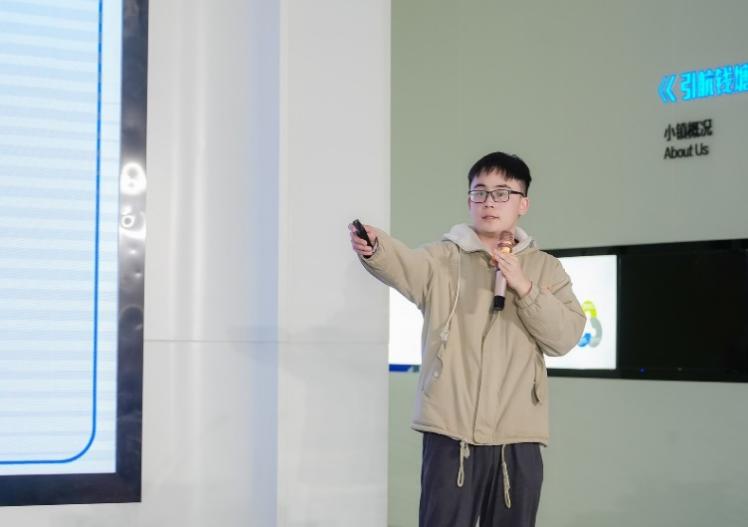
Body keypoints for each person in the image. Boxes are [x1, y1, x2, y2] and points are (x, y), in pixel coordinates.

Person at [349, 151, 585, 527]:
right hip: (450, 431)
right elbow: (403, 265)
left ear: (523, 203)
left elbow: (565, 337)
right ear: (469, 200)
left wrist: (525, 287)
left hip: (517, 436)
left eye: (502, 193)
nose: (489, 202)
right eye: (480, 192)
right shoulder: (442, 259)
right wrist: (378, 248)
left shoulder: (546, 268)